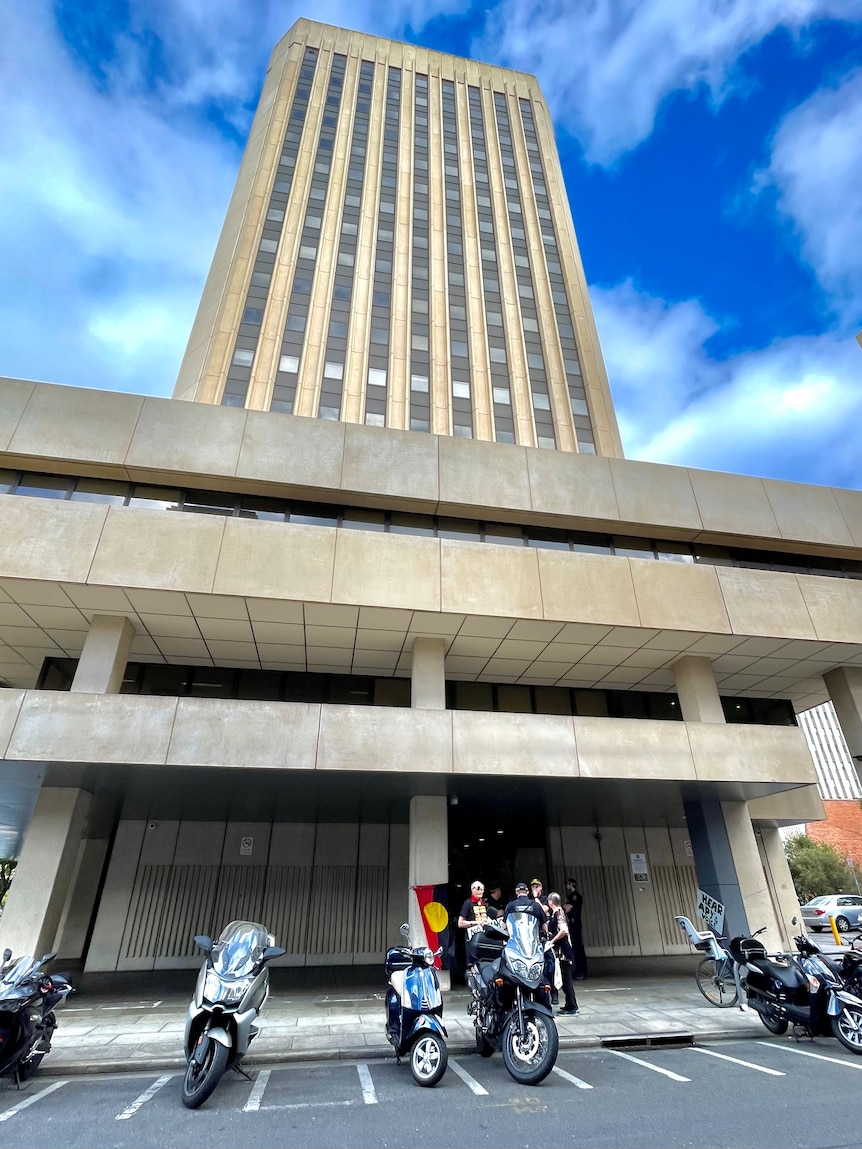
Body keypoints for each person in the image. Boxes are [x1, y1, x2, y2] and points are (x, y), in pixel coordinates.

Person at [548, 892, 579, 1015]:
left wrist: (552, 940)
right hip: (562, 952)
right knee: (565, 981)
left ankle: (572, 1006)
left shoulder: (558, 913)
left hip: (564, 952)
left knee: (567, 981)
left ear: (551, 902)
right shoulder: (558, 912)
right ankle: (569, 1004)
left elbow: (564, 930)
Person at [530, 878, 555, 1003]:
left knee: (550, 965)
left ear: (541, 888)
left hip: (546, 938)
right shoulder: (530, 901)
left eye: (537, 887)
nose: (535, 889)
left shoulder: (544, 899)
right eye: (533, 887)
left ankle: (554, 992)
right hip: (535, 937)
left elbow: (543, 910)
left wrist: (536, 899)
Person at [458, 880, 493, 965]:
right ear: (472, 890)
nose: (480, 891)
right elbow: (460, 923)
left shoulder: (485, 903)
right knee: (472, 963)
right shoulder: (467, 903)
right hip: (472, 938)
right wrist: (476, 923)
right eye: (478, 889)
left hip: (484, 938)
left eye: (482, 889)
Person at [564, 876, 587, 980]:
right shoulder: (571, 896)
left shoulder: (575, 896)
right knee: (575, 947)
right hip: (572, 923)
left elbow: (568, 908)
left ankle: (581, 971)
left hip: (575, 923)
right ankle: (578, 970)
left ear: (571, 885)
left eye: (567, 884)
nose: (566, 886)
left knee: (578, 947)